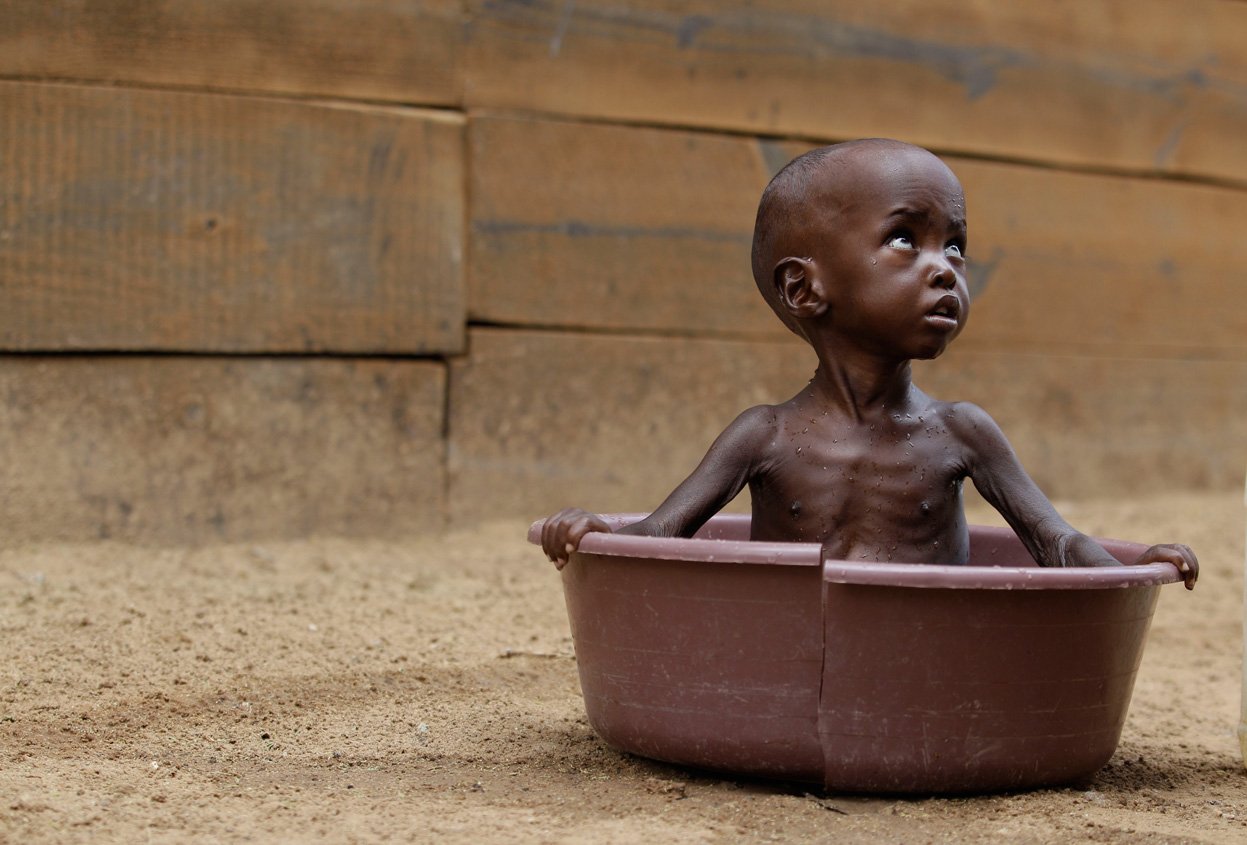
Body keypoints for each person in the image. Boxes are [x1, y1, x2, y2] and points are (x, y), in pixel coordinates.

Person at [540, 139, 1198, 588]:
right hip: (788, 663)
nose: (944, 268)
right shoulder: (764, 436)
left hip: (925, 665)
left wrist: (1137, 563)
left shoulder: (962, 433)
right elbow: (660, 537)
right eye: (905, 239)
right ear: (804, 288)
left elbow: (1055, 543)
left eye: (956, 246)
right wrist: (592, 531)